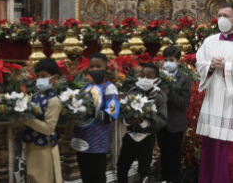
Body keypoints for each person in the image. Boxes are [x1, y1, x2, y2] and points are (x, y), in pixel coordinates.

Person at [196, 2, 233, 183]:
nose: (222, 19)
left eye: (226, 16)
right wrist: (210, 65)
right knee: (211, 145)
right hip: (213, 100)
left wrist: (227, 66)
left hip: (230, 102)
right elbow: (199, 63)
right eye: (220, 16)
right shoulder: (209, 41)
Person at [71, 53, 120, 183]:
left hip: (98, 141)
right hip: (81, 138)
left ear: (106, 67)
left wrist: (91, 112)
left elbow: (112, 115)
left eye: (99, 66)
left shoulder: (110, 88)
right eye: (91, 67)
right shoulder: (86, 87)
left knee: (97, 177)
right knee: (85, 175)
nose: (94, 70)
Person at [117, 64, 167, 183]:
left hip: (147, 138)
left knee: (144, 170)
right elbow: (122, 113)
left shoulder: (159, 97)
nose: (144, 79)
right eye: (142, 75)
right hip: (130, 137)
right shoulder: (133, 92)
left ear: (157, 80)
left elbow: (163, 120)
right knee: (122, 167)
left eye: (149, 77)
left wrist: (144, 122)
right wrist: (127, 120)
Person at [21, 58, 63, 183]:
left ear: (55, 78)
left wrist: (26, 119)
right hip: (31, 145)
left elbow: (49, 129)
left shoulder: (54, 101)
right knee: (32, 177)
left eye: (43, 76)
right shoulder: (35, 96)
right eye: (38, 76)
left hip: (44, 148)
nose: (40, 80)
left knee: (43, 179)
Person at [157, 46, 191, 183]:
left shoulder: (184, 79)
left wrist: (169, 93)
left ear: (178, 61)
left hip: (175, 123)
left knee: (174, 154)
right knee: (163, 153)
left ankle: (174, 179)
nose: (167, 63)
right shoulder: (159, 77)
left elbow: (184, 102)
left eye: (171, 60)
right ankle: (164, 179)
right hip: (161, 122)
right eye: (165, 60)